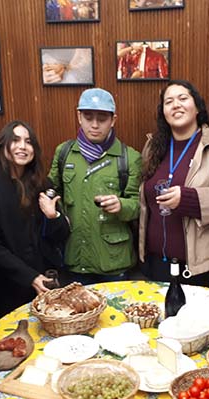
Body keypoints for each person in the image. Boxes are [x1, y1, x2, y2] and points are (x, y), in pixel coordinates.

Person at [139, 80, 209, 286]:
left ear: (197, 107)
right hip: (155, 264)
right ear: (163, 112)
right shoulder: (153, 147)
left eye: (183, 98)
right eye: (169, 101)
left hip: (199, 268)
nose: (176, 105)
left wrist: (188, 198)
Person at [0, 121, 70, 324]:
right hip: (8, 288)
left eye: (28, 142)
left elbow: (61, 237)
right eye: (15, 140)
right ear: (3, 146)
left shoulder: (43, 184)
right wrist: (29, 277)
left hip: (45, 285)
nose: (22, 146)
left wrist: (54, 217)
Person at [49, 88, 141, 284]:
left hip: (113, 261)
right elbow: (52, 192)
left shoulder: (129, 158)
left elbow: (139, 206)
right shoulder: (64, 153)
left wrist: (122, 205)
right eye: (88, 117)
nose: (95, 125)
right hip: (74, 256)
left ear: (113, 120)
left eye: (102, 118)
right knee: (77, 314)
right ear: (79, 117)